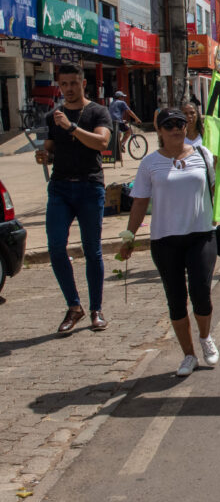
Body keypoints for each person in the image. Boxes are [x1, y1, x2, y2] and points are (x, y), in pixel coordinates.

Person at [118, 109, 219, 377]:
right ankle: (188, 355)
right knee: (176, 299)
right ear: (159, 130)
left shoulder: (203, 155)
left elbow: (216, 189)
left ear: (187, 127)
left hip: (201, 234)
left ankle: (205, 337)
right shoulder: (149, 164)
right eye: (169, 125)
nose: (176, 129)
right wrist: (129, 237)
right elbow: (140, 202)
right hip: (165, 240)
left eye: (180, 124)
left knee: (201, 291)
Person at [36, 64, 113, 334]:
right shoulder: (52, 116)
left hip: (90, 187)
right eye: (64, 84)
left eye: (73, 83)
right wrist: (45, 156)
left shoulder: (97, 112)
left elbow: (102, 144)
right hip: (60, 189)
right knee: (56, 248)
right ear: (59, 85)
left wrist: (71, 127)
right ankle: (74, 306)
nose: (68, 89)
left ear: (83, 83)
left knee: (92, 250)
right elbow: (50, 150)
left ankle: (96, 309)